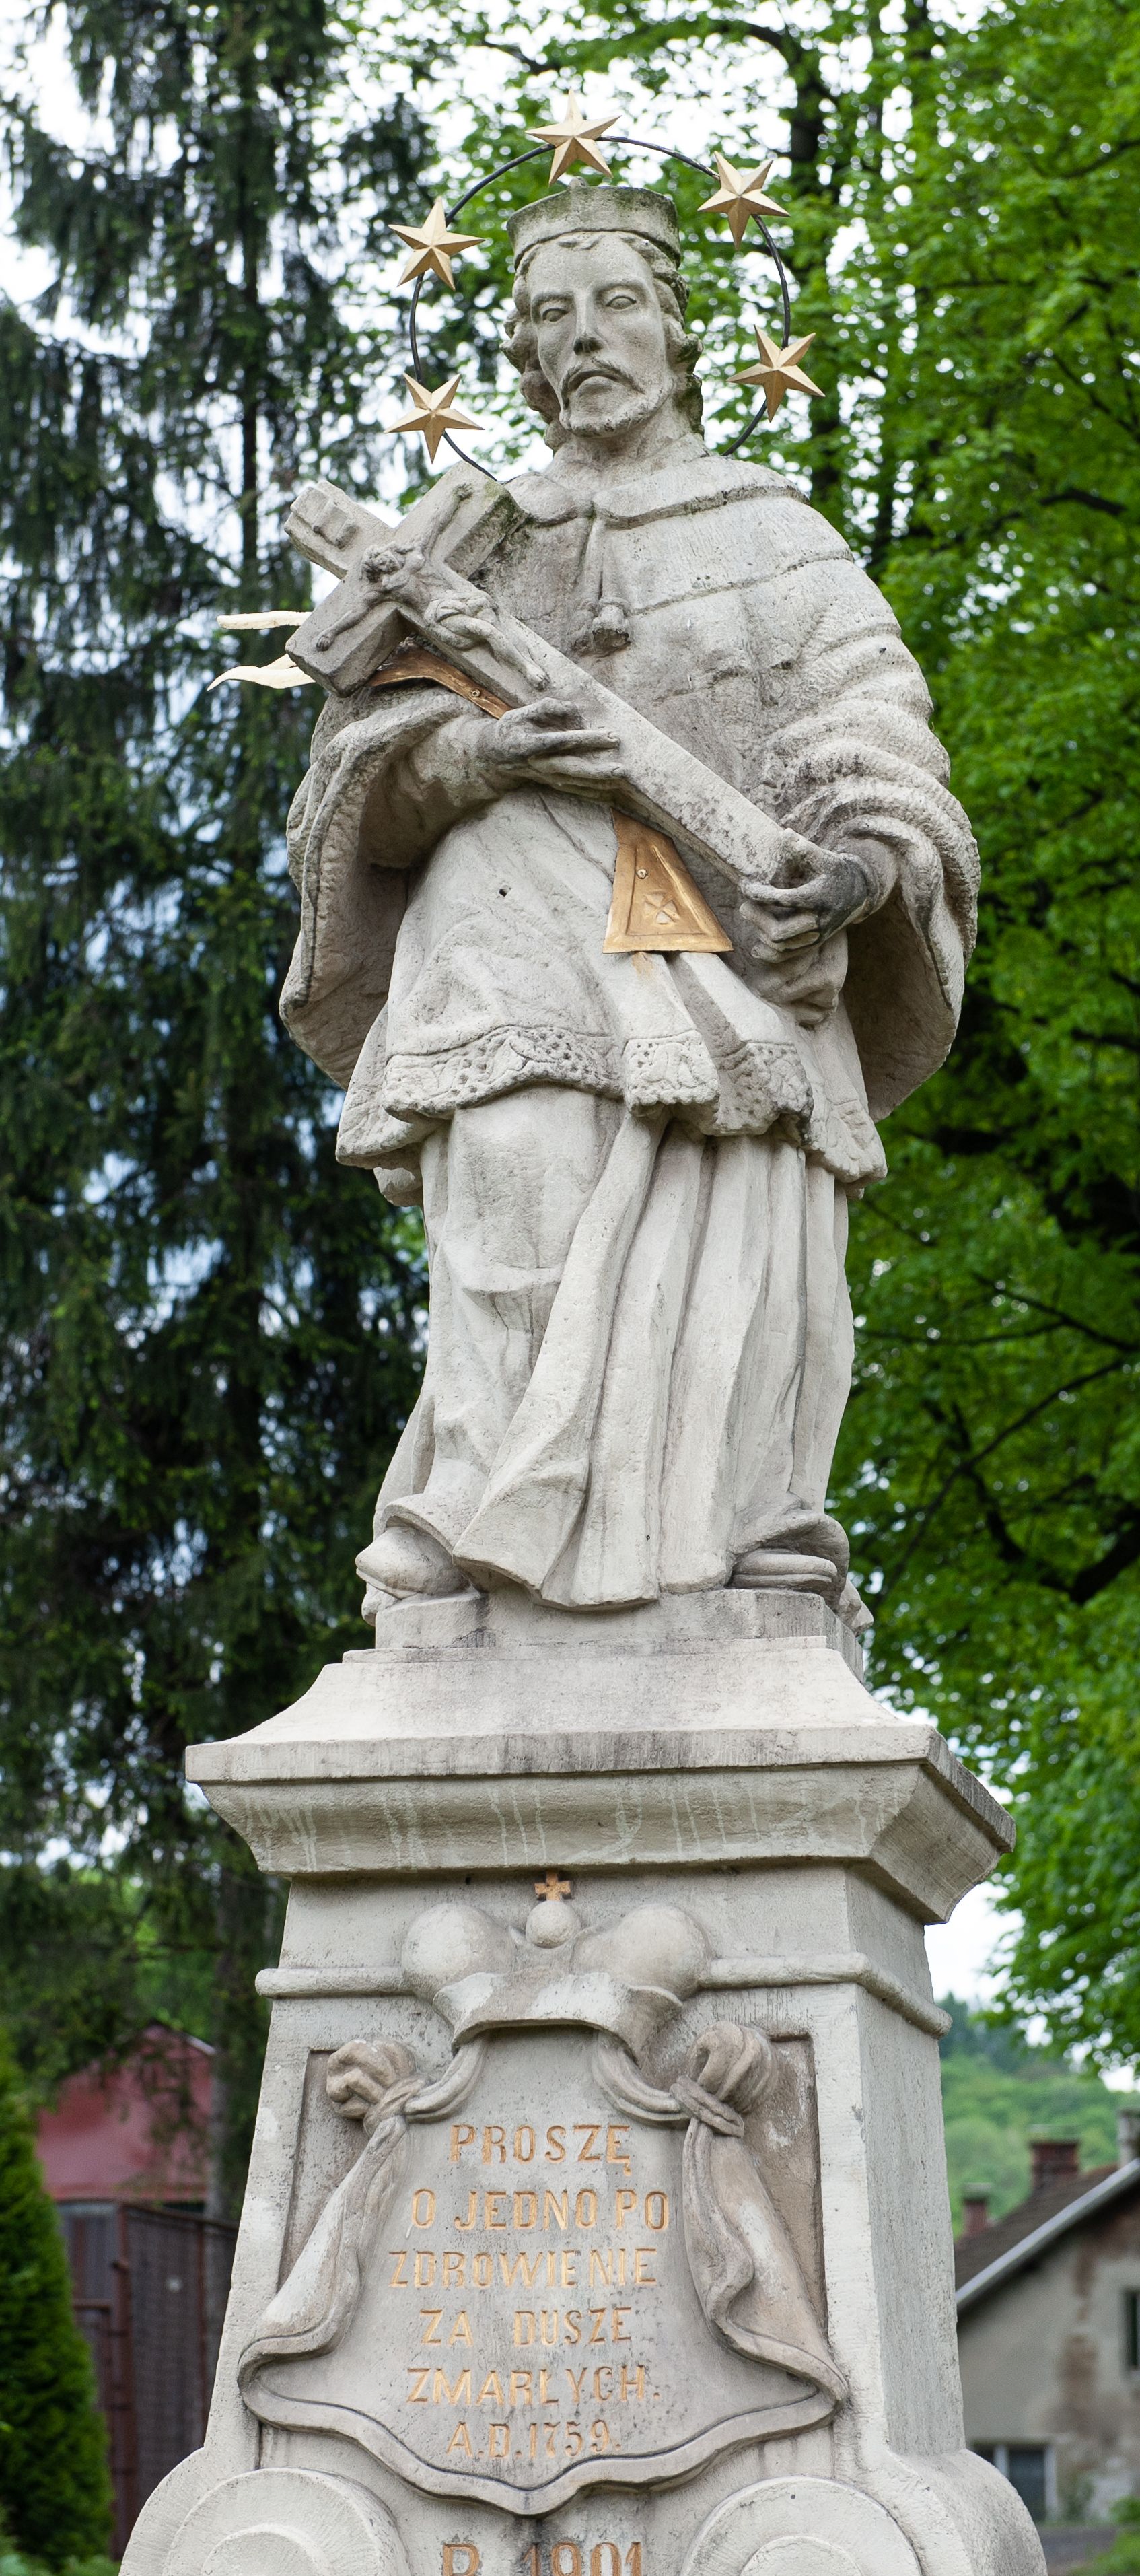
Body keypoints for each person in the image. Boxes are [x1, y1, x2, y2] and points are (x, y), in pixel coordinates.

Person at [281, 184, 978, 1624]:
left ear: (676, 328)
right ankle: (474, 1512)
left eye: (615, 305)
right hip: (507, 922)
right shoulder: (468, 543)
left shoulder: (771, 530)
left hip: (731, 938)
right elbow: (353, 787)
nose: (585, 338)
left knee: (744, 1210)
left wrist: (854, 870)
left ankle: (739, 1530)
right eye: (550, 316)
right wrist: (477, 758)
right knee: (514, 1171)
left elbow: (874, 727)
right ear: (526, 358)